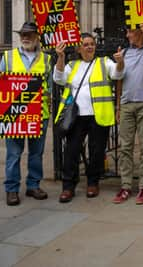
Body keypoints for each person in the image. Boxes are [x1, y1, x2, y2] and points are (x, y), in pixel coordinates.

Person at [53, 33, 124, 203]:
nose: (90, 47)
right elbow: (58, 79)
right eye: (85, 44)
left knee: (96, 151)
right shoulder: (71, 65)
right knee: (71, 151)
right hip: (76, 117)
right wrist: (60, 57)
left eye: (92, 44)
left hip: (97, 115)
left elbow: (117, 74)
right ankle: (68, 186)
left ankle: (93, 183)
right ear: (79, 48)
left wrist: (120, 61)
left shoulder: (103, 62)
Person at [0, 22, 51, 206]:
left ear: (36, 37)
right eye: (22, 34)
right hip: (13, 113)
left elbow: (49, 87)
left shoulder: (46, 59)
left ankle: (33, 185)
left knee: (36, 153)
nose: (25, 37)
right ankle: (11, 189)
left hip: (38, 114)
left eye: (29, 34)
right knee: (14, 153)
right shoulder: (8, 57)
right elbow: (0, 81)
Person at [112, 23, 143, 205]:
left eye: (130, 31)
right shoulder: (124, 52)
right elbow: (119, 80)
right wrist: (118, 105)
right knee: (125, 146)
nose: (127, 35)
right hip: (126, 104)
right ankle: (125, 186)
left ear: (140, 32)